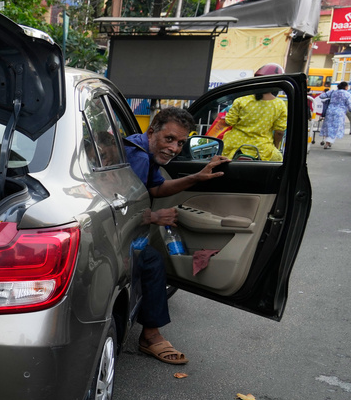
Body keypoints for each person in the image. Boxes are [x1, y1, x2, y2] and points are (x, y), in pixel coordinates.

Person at [123, 107, 229, 365]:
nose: (174, 148)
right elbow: (122, 209)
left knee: (152, 259)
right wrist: (154, 218)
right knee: (151, 261)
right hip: (113, 236)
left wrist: (197, 177)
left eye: (180, 142)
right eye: (168, 139)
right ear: (151, 132)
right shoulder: (137, 156)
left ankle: (150, 332)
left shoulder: (144, 152)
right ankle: (150, 336)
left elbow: (156, 188)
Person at [222, 63, 287, 162]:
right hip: (263, 149)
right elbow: (279, 132)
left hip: (233, 147)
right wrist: (276, 146)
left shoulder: (241, 100)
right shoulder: (280, 104)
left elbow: (229, 122)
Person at [318, 81, 351, 149]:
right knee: (335, 128)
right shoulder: (347, 94)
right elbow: (349, 104)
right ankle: (328, 142)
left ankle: (328, 142)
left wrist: (330, 99)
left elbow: (321, 96)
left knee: (329, 126)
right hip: (340, 113)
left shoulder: (333, 92)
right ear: (345, 87)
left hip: (330, 111)